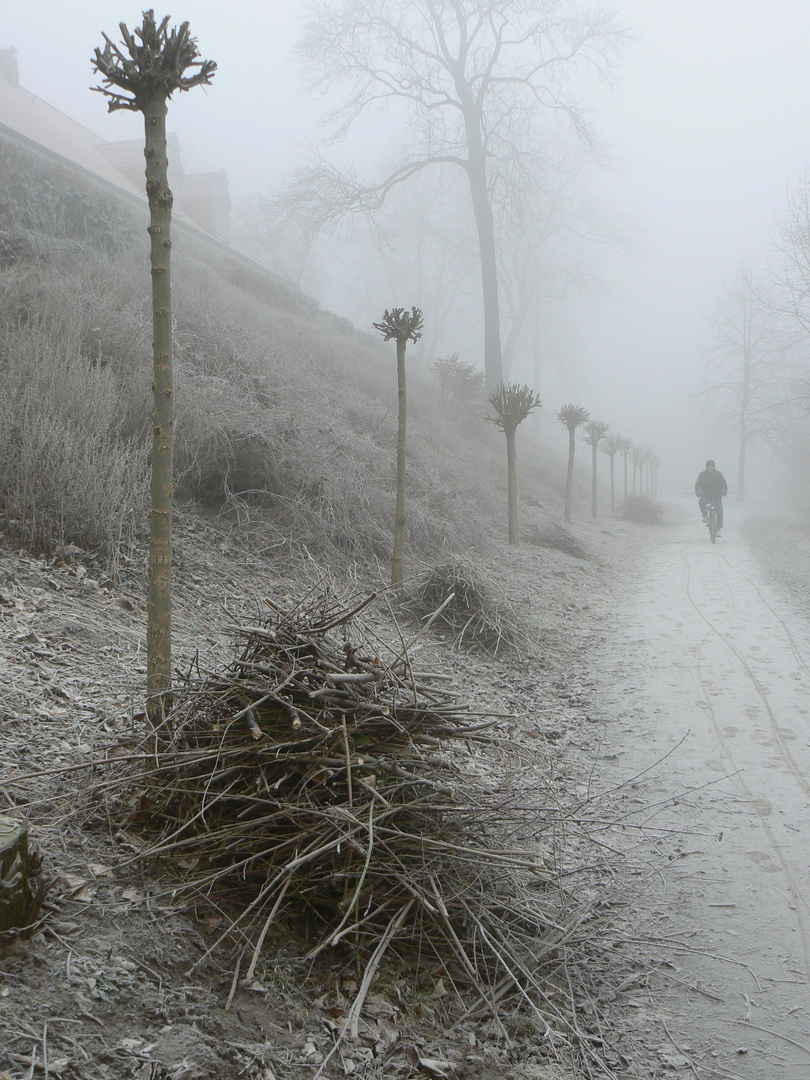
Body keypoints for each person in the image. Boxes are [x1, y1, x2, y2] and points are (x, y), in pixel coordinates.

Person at [695, 459, 728, 531]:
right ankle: (705, 516)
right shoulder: (702, 475)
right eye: (709, 466)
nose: (711, 467)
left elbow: (723, 483)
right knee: (701, 502)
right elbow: (698, 484)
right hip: (706, 495)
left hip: (717, 496)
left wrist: (724, 490)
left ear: (714, 467)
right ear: (706, 467)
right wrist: (698, 491)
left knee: (720, 511)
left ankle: (719, 528)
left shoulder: (719, 475)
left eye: (712, 466)